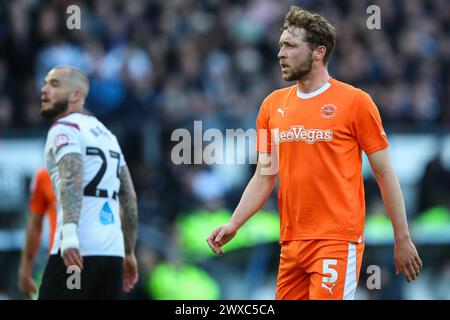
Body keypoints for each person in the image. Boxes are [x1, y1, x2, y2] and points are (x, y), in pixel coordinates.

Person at [207, 6, 422, 300]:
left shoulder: (355, 102)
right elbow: (264, 175)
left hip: (336, 241)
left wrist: (402, 238)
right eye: (281, 45)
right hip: (291, 244)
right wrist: (234, 223)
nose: (281, 53)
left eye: (290, 46)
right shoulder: (272, 105)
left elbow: (384, 173)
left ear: (318, 52)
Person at [37, 65, 139, 299]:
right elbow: (129, 196)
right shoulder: (108, 136)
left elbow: (72, 179)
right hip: (112, 255)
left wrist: (70, 236)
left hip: (77, 251)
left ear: (76, 95)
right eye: (44, 83)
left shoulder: (65, 128)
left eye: (54, 85)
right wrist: (128, 251)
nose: (44, 90)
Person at [18, 168, 57, 299]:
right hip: (66, 261)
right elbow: (35, 224)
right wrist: (25, 270)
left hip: (96, 256)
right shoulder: (45, 175)